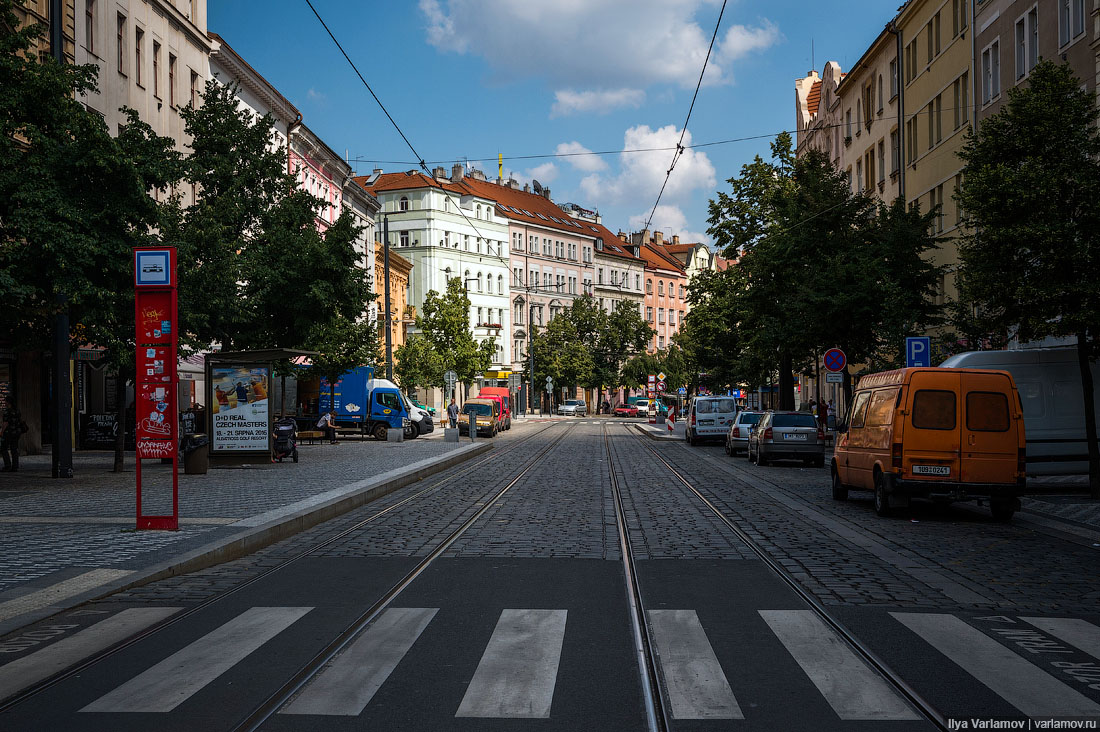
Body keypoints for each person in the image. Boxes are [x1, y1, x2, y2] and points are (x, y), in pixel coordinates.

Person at [1, 407, 26, 472]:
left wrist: (1, 432)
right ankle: (15, 466)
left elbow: (5, 423)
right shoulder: (17, 410)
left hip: (9, 432)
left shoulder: (7, 411)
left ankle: (7, 465)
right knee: (14, 449)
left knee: (3, 448)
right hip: (17, 432)